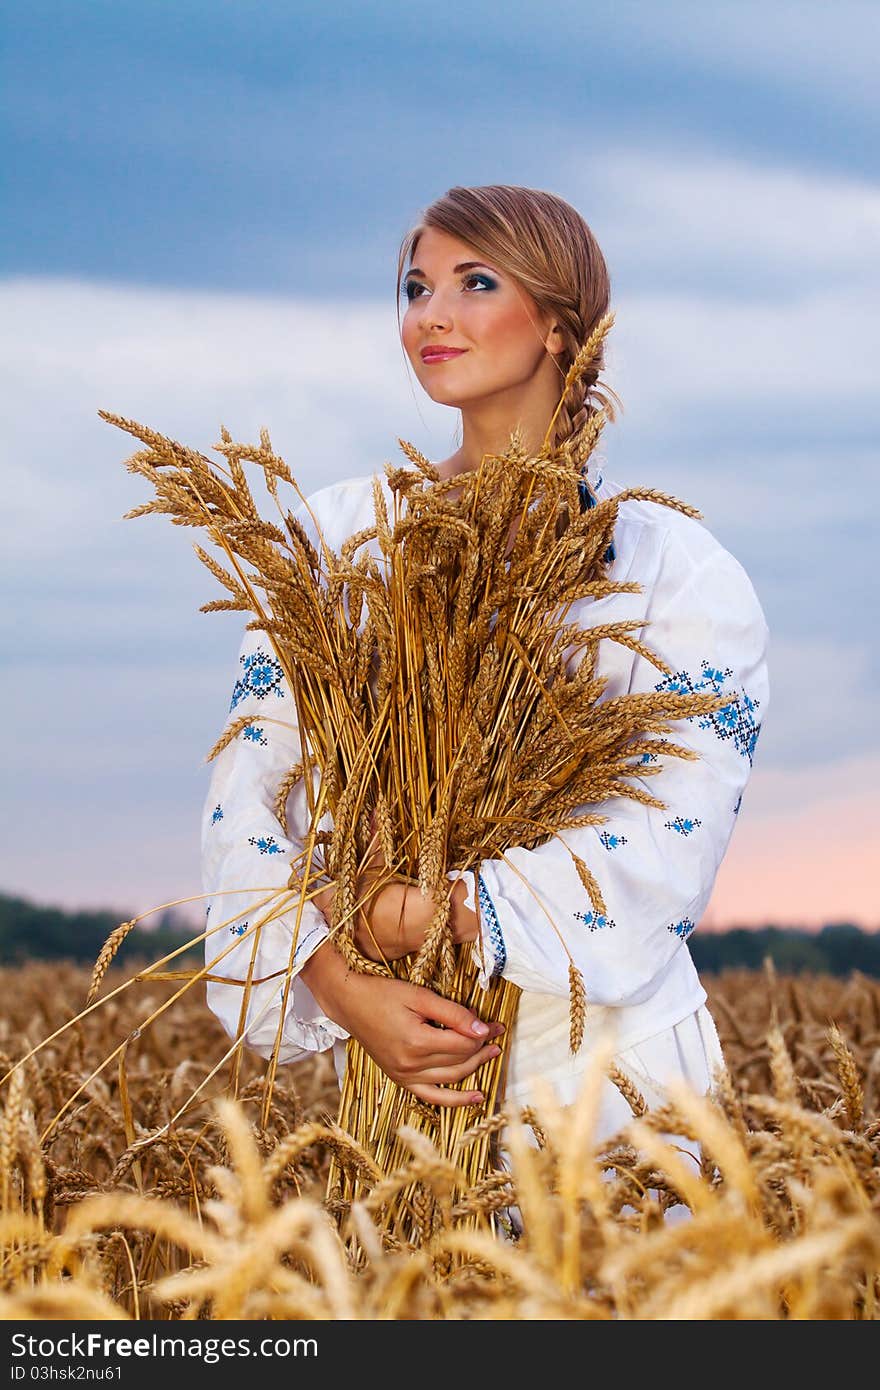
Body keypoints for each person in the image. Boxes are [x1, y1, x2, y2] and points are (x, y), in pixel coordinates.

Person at [200, 186, 769, 1223]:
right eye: (415, 287)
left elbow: (666, 843)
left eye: (474, 282)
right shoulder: (335, 542)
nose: (431, 315)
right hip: (402, 1088)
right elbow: (248, 789)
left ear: (559, 322)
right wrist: (338, 985)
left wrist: (426, 910)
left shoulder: (670, 575)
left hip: (613, 1091)